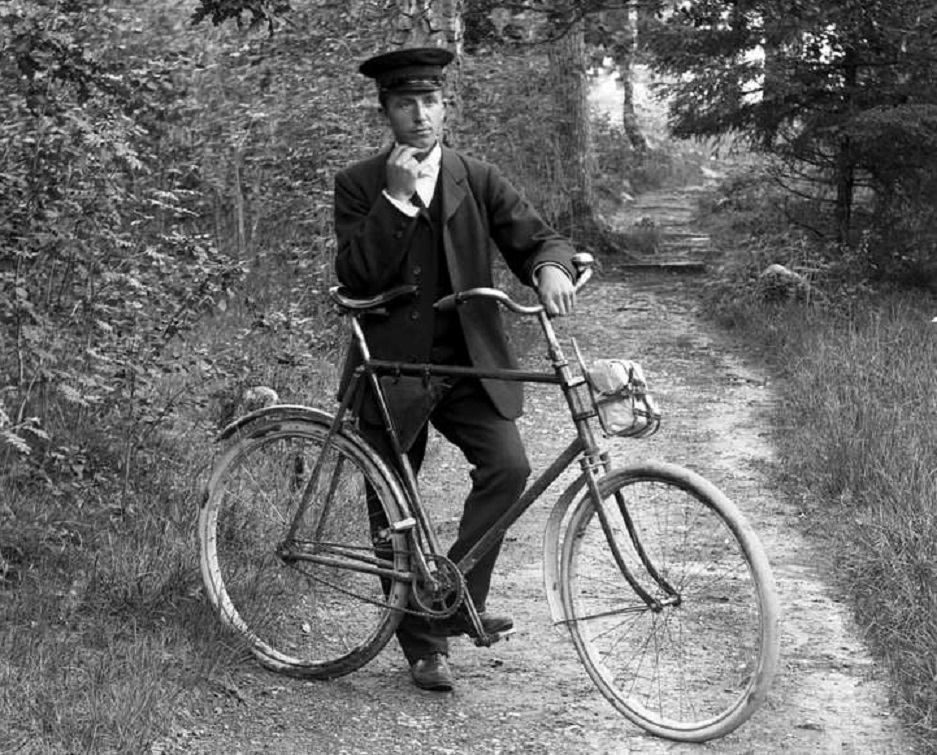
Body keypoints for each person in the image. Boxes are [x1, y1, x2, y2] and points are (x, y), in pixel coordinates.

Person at [333, 47, 578, 692]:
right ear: (386, 111)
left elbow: (538, 237)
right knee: (394, 506)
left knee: (509, 468)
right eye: (406, 103)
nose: (420, 115)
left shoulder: (476, 175)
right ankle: (421, 646)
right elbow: (355, 276)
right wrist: (394, 200)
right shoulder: (360, 184)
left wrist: (550, 267)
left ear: (445, 107)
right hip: (392, 370)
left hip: (469, 366)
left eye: (431, 102)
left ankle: (454, 599)